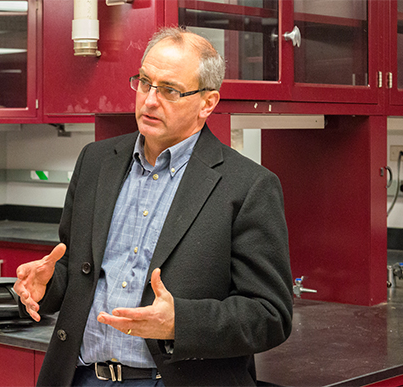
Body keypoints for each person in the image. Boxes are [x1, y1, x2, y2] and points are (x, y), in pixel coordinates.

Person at [15, 27, 293, 387]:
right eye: (144, 82)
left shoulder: (248, 186)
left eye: (170, 91)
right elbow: (77, 274)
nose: (148, 100)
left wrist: (180, 322)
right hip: (81, 377)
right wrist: (46, 285)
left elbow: (271, 315)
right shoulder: (96, 162)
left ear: (207, 103)